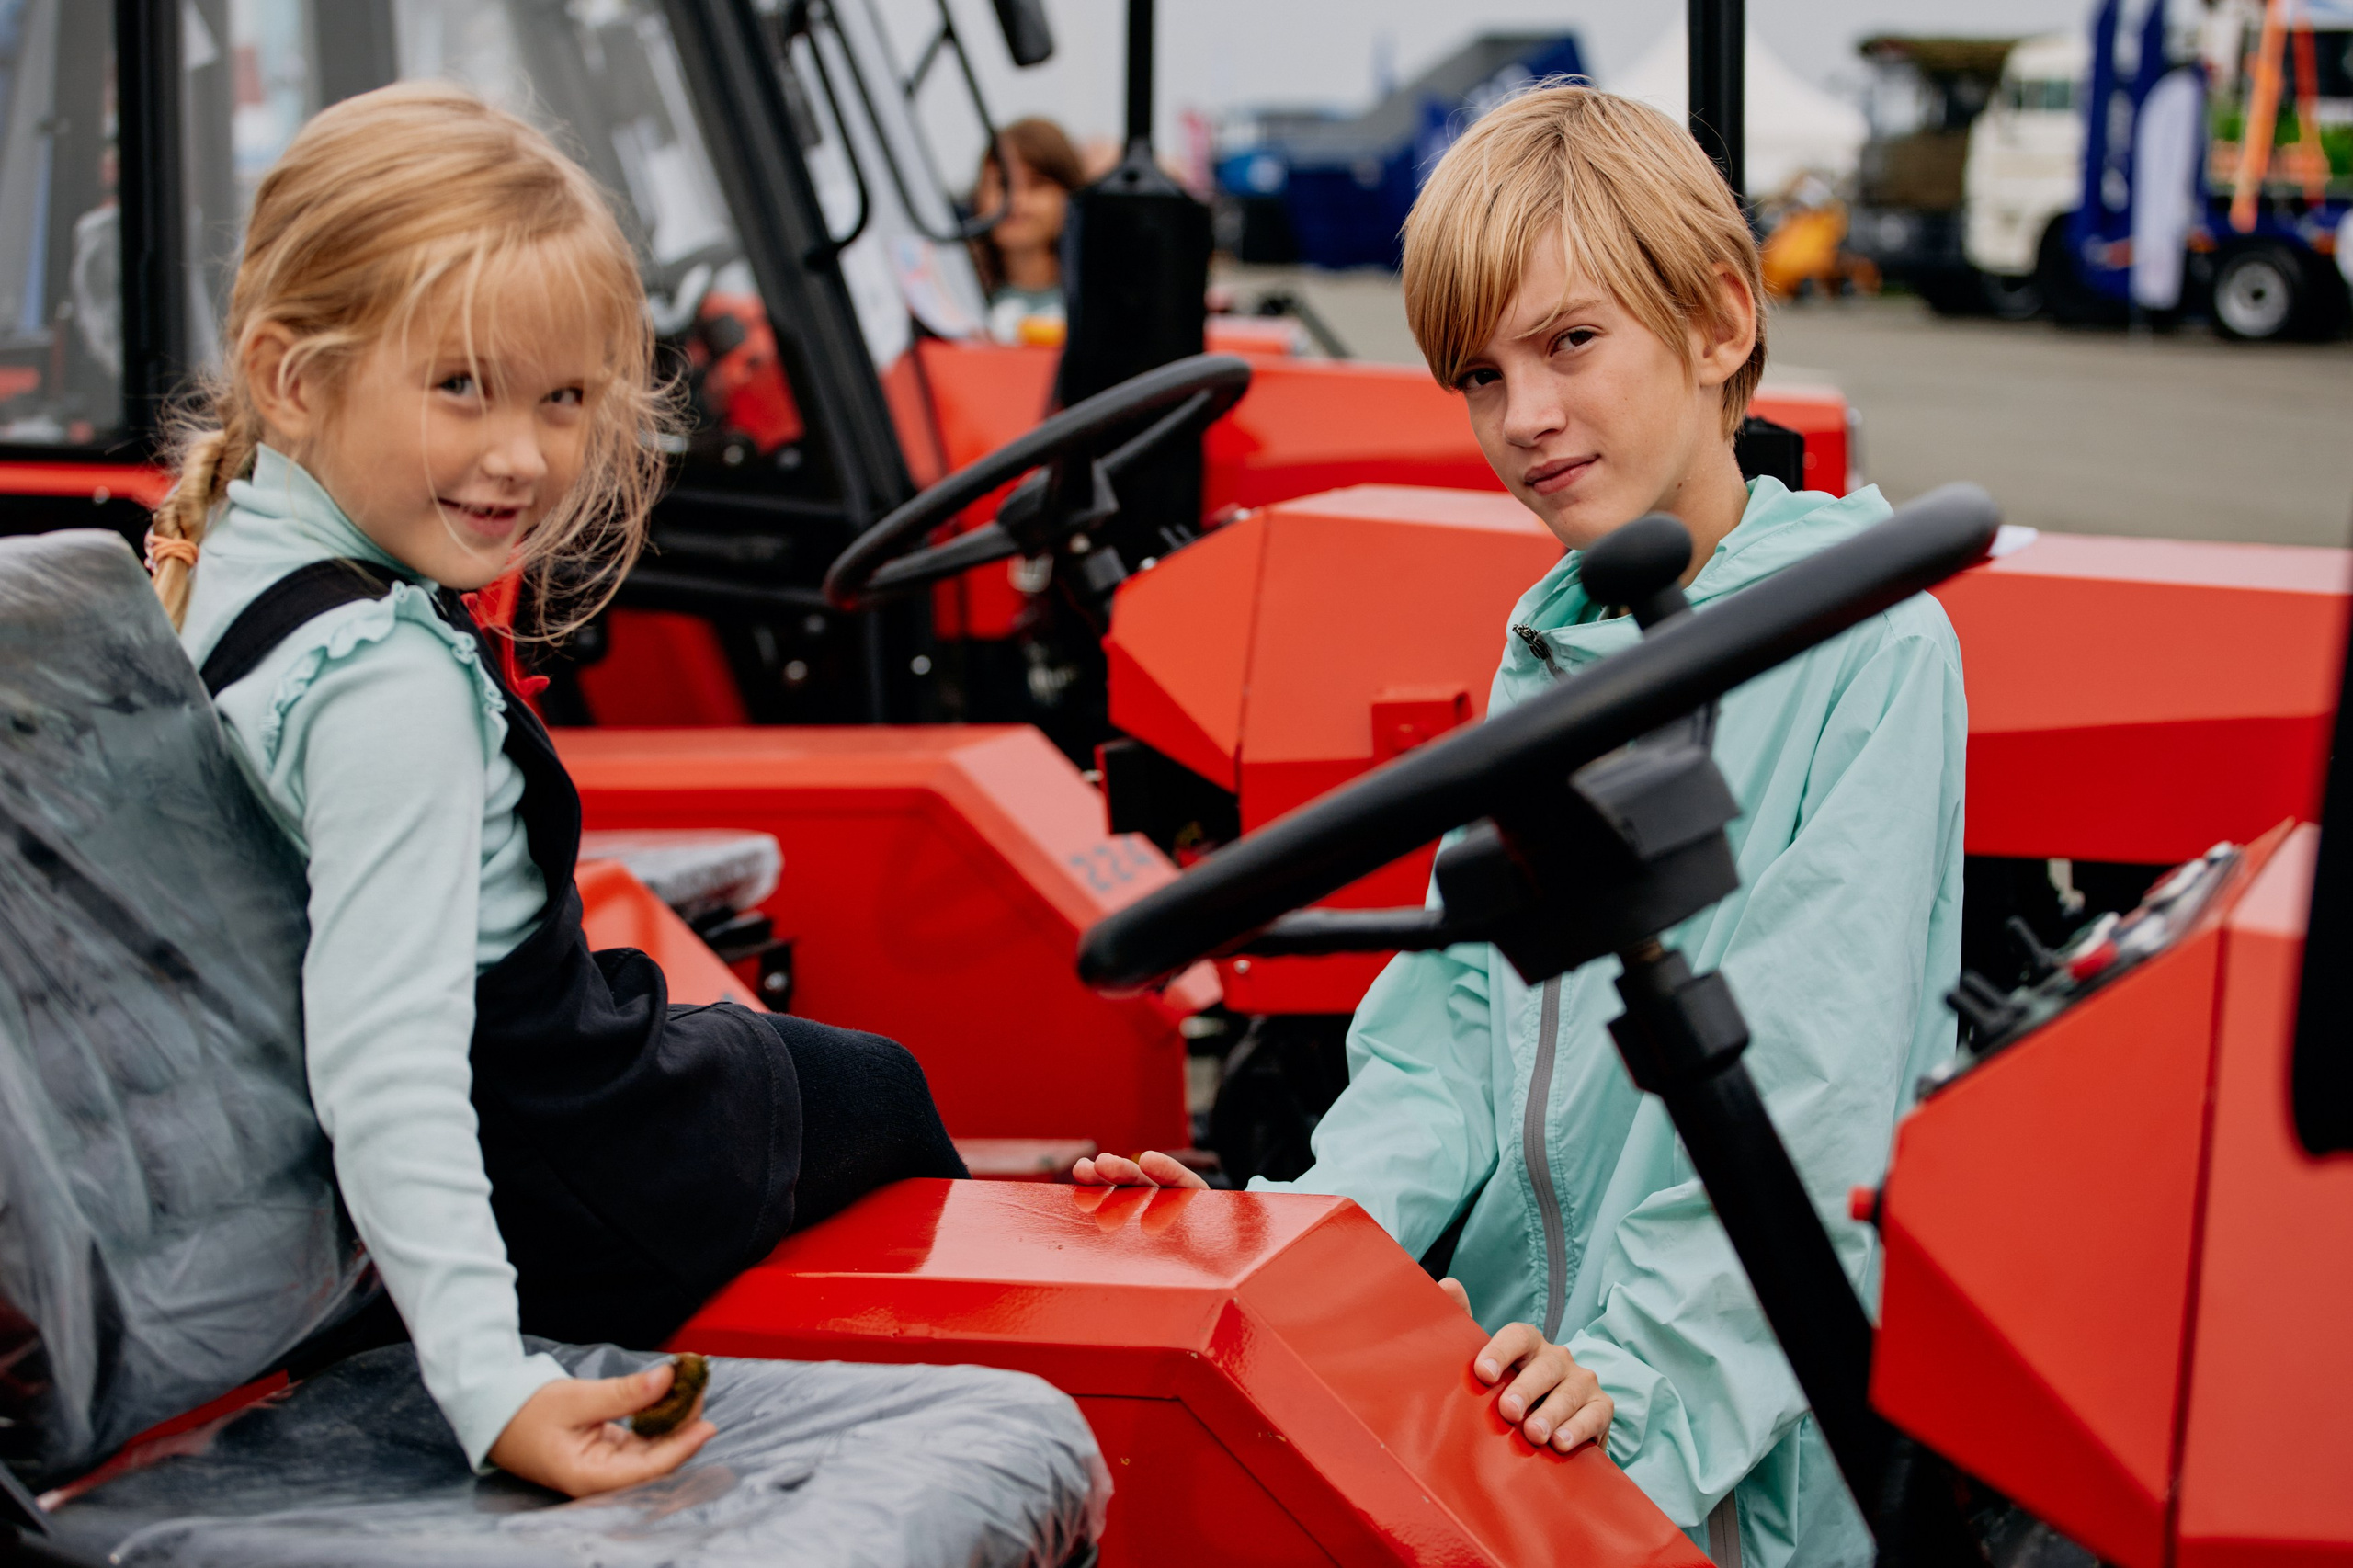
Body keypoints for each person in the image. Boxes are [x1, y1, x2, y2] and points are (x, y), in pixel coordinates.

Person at [1074, 84, 1966, 1568]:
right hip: (1517, 1397)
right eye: (1482, 377)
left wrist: (1641, 1382)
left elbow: (1816, 1077)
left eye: (1571, 343)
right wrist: (1272, 1239)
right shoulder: (1553, 647)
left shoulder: (1868, 644)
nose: (1525, 419)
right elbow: (1451, 1042)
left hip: (1709, 1449)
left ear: (1719, 323)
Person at [144, 84, 967, 1501]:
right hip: (568, 1163)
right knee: (878, 1086)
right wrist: (494, 1380)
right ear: (291, 378)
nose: (520, 454)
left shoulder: (226, 556)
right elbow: (390, 1055)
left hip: (540, 1104)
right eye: (462, 385)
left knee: (752, 1041)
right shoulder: (385, 686)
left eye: (562, 398)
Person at [969, 118, 1084, 344]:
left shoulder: (1100, 302)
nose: (1016, 202)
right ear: (978, 196)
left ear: (1071, 196)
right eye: (1002, 184)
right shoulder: (954, 301)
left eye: (1036, 184)